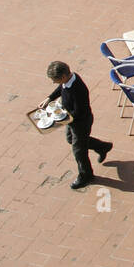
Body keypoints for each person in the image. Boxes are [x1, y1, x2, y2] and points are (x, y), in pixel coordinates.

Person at [41, 61, 112, 191]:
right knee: (70, 139)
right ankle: (103, 147)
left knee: (79, 151)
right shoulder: (68, 80)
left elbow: (79, 112)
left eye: (54, 80)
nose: (53, 83)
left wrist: (59, 118)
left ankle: (86, 175)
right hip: (71, 120)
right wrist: (50, 98)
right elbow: (61, 88)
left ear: (63, 76)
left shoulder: (78, 89)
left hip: (80, 122)